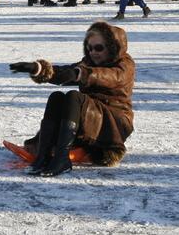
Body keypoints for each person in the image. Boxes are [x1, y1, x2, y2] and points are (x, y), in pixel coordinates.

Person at [9, 21, 134, 177]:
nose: (93, 52)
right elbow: (65, 72)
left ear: (113, 47)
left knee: (75, 97)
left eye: (99, 48)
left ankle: (62, 159)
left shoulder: (124, 65)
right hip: (91, 119)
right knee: (57, 97)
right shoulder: (87, 62)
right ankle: (44, 154)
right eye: (90, 48)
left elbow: (110, 76)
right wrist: (38, 69)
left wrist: (80, 74)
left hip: (114, 124)